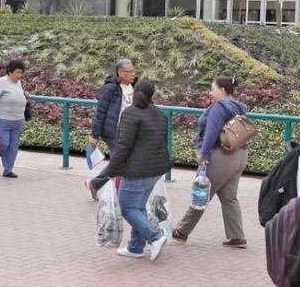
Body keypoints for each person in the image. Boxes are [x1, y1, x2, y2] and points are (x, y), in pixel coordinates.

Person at [173, 76, 250, 247]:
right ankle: (236, 236)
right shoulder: (238, 106)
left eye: (213, 89)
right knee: (229, 197)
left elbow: (212, 132)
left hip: (222, 156)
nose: (210, 92)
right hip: (240, 154)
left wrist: (203, 154)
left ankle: (182, 231)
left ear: (222, 90)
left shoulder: (219, 106)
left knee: (202, 192)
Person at [106, 79, 172, 261]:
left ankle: (155, 237)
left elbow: (123, 145)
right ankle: (135, 247)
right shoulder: (160, 114)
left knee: (127, 207)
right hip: (156, 169)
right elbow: (162, 142)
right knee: (138, 207)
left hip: (136, 170)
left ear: (135, 92)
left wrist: (111, 170)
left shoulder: (130, 114)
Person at [86, 59, 137, 199]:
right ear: (120, 73)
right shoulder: (111, 88)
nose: (133, 74)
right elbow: (101, 111)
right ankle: (120, 197)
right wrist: (95, 135)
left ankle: (94, 184)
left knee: (119, 163)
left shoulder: (133, 86)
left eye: (133, 71)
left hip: (128, 132)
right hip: (113, 132)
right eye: (130, 72)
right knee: (119, 163)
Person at [0, 60, 30, 178]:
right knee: (3, 144)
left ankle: (8, 170)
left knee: (13, 147)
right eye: (17, 72)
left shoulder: (19, 83)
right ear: (10, 72)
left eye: (21, 72)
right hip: (1, 120)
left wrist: (25, 95)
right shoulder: (1, 82)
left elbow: (18, 96)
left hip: (18, 120)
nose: (19, 75)